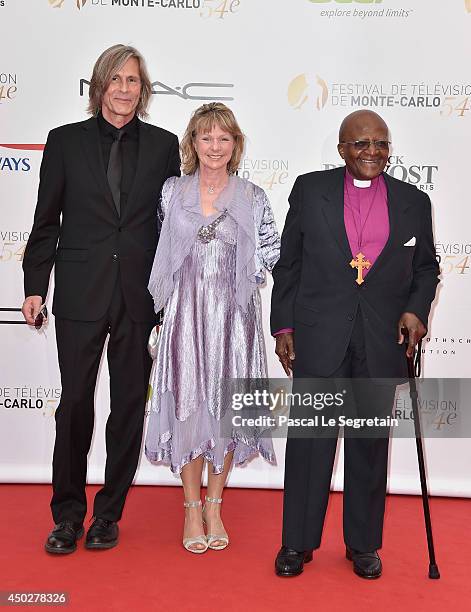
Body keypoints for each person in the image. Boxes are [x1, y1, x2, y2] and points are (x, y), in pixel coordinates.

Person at [21, 44, 180, 554]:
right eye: (116, 79)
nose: (124, 89)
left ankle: (108, 513)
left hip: (138, 297)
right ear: (98, 86)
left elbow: (171, 228)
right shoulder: (64, 142)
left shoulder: (163, 145)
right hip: (79, 293)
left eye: (133, 80)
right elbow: (46, 221)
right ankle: (67, 515)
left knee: (129, 406)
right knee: (74, 408)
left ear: (143, 88)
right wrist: (33, 286)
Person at [271, 110, 439, 578]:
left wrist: (416, 310)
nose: (372, 152)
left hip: (380, 338)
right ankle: (296, 544)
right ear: (342, 149)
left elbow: (426, 268)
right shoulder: (310, 190)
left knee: (369, 445)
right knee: (310, 445)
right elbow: (289, 265)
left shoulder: (413, 201)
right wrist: (284, 328)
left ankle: (363, 544)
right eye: (361, 143)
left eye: (381, 144)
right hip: (320, 334)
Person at [145, 102, 279, 553]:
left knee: (224, 412)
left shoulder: (253, 196)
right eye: (206, 138)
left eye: (224, 138)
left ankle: (216, 504)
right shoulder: (170, 192)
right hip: (184, 317)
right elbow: (161, 251)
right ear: (193, 143)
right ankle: (190, 508)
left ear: (235, 144)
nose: (215, 146)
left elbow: (275, 254)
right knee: (188, 409)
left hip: (234, 323)